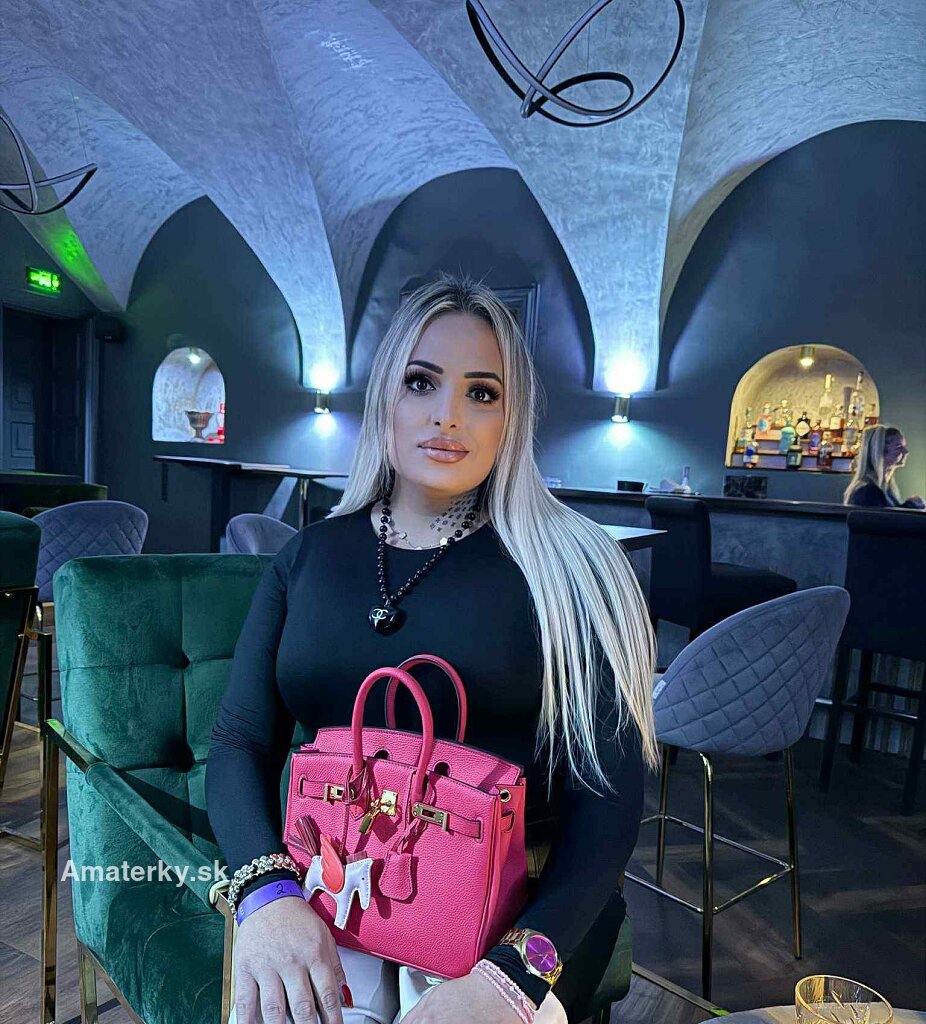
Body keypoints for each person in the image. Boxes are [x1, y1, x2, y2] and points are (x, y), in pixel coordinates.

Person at [206, 275, 659, 1024]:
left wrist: (516, 972)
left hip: (513, 923)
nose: (448, 415)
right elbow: (239, 743)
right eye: (422, 382)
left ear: (511, 417)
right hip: (325, 896)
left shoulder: (573, 567)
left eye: (481, 392)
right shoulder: (307, 557)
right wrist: (265, 892)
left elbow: (608, 798)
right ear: (385, 397)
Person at [843, 424, 925, 509]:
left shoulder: (886, 487)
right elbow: (883, 517)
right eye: (899, 447)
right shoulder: (868, 491)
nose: (906, 451)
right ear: (880, 451)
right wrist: (909, 506)